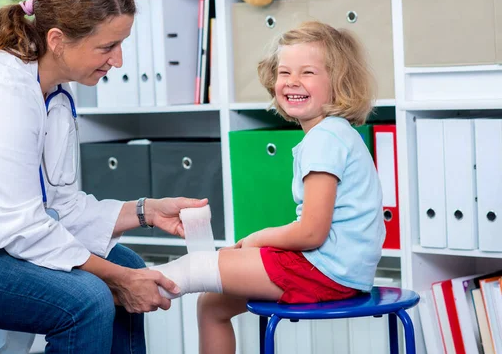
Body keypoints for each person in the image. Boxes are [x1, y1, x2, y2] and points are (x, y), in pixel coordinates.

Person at [0, 0, 207, 354]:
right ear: (58, 39)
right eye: (107, 46)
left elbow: (60, 205)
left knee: (129, 265)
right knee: (88, 301)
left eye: (121, 45)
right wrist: (115, 279)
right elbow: (17, 225)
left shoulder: (52, 89)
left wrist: (146, 211)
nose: (118, 61)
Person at [150, 21, 386, 354]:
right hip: (338, 270)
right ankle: (140, 284)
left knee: (195, 269)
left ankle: (133, 285)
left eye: (308, 73)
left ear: (338, 82)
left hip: (324, 270)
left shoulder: (325, 140)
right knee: (212, 306)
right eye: (285, 72)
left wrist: (259, 239)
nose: (292, 82)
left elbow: (311, 234)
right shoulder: (334, 134)